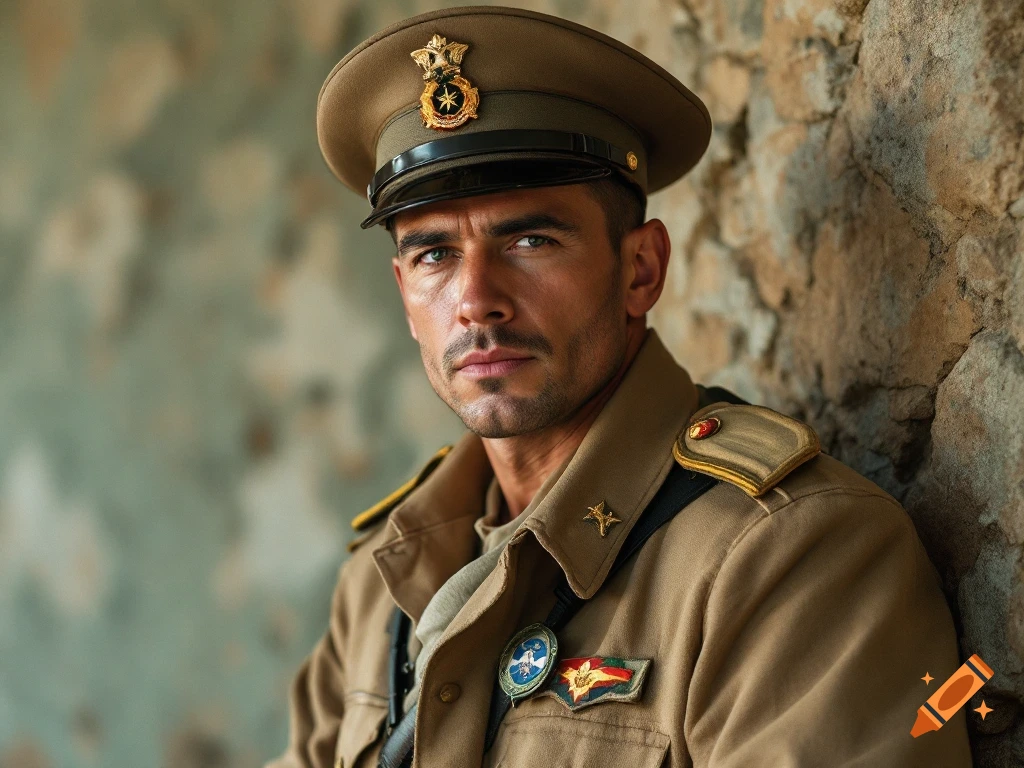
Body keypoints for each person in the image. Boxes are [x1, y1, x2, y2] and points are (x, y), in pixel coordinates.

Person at [268, 6, 972, 767]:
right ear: (404, 292)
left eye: (530, 239)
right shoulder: (383, 583)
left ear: (641, 270)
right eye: (435, 254)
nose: (475, 299)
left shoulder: (785, 559)